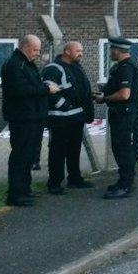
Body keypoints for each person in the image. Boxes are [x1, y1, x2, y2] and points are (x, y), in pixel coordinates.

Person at [1, 35, 59, 207]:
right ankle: (15, 194)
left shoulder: (26, 64)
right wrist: (46, 89)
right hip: (23, 118)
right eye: (35, 50)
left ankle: (25, 189)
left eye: (39, 50)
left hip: (33, 117)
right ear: (25, 47)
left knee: (29, 156)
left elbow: (31, 85)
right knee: (20, 155)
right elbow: (21, 89)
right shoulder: (14, 65)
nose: (38, 53)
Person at [41, 41, 95, 194]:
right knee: (58, 151)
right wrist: (64, 105)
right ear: (67, 51)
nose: (81, 53)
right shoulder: (53, 68)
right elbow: (49, 91)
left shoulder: (76, 67)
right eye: (78, 51)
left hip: (76, 117)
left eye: (82, 50)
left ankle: (75, 178)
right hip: (60, 119)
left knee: (74, 150)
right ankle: (54, 183)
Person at [94, 37, 138, 199]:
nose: (110, 52)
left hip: (123, 113)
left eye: (111, 49)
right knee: (120, 147)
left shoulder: (125, 68)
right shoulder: (123, 66)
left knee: (123, 148)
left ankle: (126, 185)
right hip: (122, 112)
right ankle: (123, 181)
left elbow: (124, 94)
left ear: (116, 50)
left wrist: (105, 98)